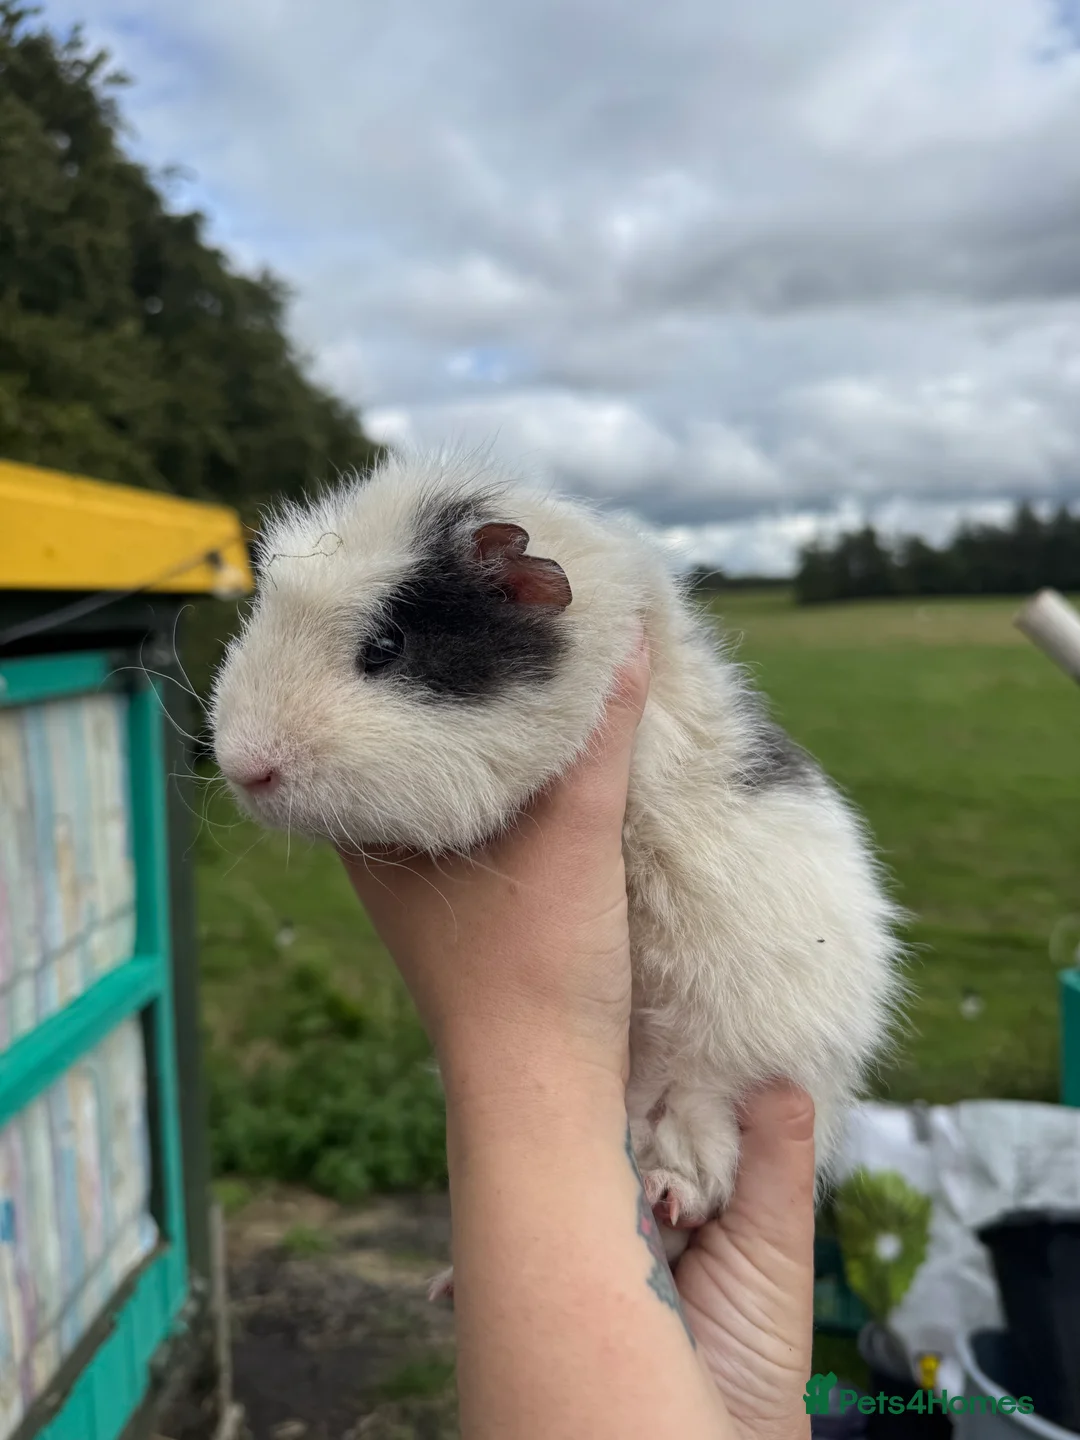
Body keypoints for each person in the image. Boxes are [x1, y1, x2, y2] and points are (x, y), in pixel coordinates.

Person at [340, 636, 815, 1440]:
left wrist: (509, 1033)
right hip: (723, 1286)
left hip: (718, 1061)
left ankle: (659, 1189)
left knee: (704, 1099)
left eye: (377, 656)